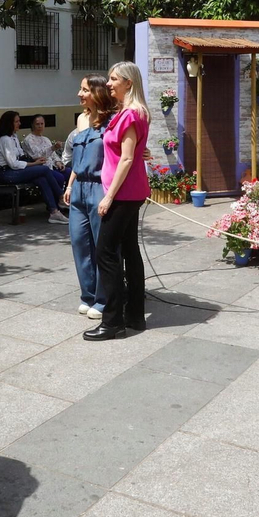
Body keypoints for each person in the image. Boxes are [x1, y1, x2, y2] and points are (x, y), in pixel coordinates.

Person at [85, 62, 150, 342]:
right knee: (130, 251)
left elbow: (125, 158)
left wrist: (109, 196)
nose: (109, 84)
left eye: (114, 79)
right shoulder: (129, 113)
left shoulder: (130, 115)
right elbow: (132, 151)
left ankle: (113, 322)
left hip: (122, 194)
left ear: (129, 83)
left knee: (106, 253)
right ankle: (134, 315)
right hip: (130, 191)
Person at [61, 76, 114, 322]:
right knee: (80, 243)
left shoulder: (111, 121)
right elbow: (78, 159)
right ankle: (88, 295)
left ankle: (104, 299)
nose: (79, 94)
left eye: (84, 90)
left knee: (101, 247)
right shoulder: (82, 119)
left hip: (99, 189)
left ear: (97, 92)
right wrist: (70, 184)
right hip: (79, 187)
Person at [0, 111, 68, 224]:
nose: (19, 123)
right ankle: (61, 197)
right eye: (17, 121)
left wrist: (35, 162)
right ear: (9, 123)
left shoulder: (13, 137)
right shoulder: (5, 140)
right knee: (43, 169)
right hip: (6, 173)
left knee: (41, 178)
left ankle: (54, 212)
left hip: (16, 170)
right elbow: (13, 164)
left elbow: (21, 156)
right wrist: (34, 164)